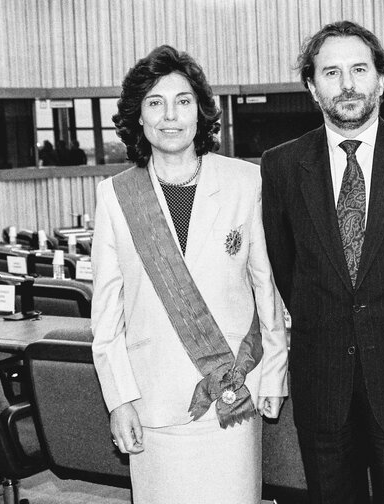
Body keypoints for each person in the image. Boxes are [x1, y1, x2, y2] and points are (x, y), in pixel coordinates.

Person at [261, 21, 384, 504]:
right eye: (331, 72)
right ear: (312, 87)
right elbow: (285, 265)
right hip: (321, 378)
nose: (347, 84)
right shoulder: (282, 166)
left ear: (381, 79)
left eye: (359, 69)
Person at [91, 45, 288, 504]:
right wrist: (118, 400)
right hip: (152, 402)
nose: (169, 115)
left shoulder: (245, 181)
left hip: (232, 397)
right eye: (155, 103)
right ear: (138, 117)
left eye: (182, 101)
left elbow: (267, 289)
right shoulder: (115, 197)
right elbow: (106, 315)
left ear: (200, 112)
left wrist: (275, 372)